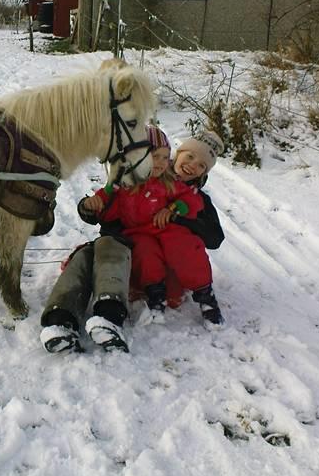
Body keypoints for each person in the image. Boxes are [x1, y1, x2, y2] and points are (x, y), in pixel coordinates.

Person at [84, 128, 227, 329]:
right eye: (190, 156)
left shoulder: (180, 187)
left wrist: (175, 211)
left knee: (183, 245)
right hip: (142, 235)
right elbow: (109, 206)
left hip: (168, 236)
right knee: (145, 252)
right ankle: (155, 296)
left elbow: (210, 231)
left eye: (201, 165)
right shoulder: (131, 181)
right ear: (178, 155)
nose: (193, 165)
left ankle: (205, 296)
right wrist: (95, 205)